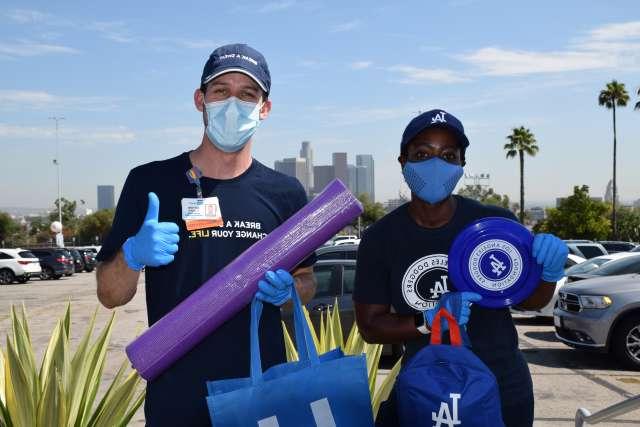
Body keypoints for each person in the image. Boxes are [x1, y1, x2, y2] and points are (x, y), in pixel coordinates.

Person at [96, 43, 316, 426]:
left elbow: (307, 280)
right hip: (177, 399)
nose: (234, 103)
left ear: (264, 108)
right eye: (221, 91)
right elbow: (110, 294)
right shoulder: (150, 181)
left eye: (248, 94)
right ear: (201, 99)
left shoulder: (286, 192)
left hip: (260, 397)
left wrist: (289, 292)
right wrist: (131, 254)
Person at [353, 109, 568, 427]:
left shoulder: (494, 225)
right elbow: (371, 328)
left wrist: (547, 274)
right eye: (423, 153)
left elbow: (528, 301)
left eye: (448, 155)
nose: (435, 164)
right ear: (403, 162)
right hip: (427, 387)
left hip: (501, 386)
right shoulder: (380, 239)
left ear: (461, 166)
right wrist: (428, 320)